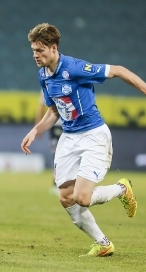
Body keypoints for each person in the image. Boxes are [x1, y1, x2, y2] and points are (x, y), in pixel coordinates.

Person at [21, 23, 144, 257]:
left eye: (40, 51)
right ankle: (103, 243)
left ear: (54, 48)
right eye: (33, 51)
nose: (35, 55)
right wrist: (35, 131)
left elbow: (117, 70)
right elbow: (54, 112)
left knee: (82, 198)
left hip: (93, 136)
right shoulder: (43, 75)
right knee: (66, 197)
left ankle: (121, 189)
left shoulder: (75, 67)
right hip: (69, 137)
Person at [34, 89, 63, 196]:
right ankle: (56, 183)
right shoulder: (46, 84)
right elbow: (41, 107)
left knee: (68, 154)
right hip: (55, 124)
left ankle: (67, 183)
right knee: (56, 154)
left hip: (70, 124)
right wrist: (38, 127)